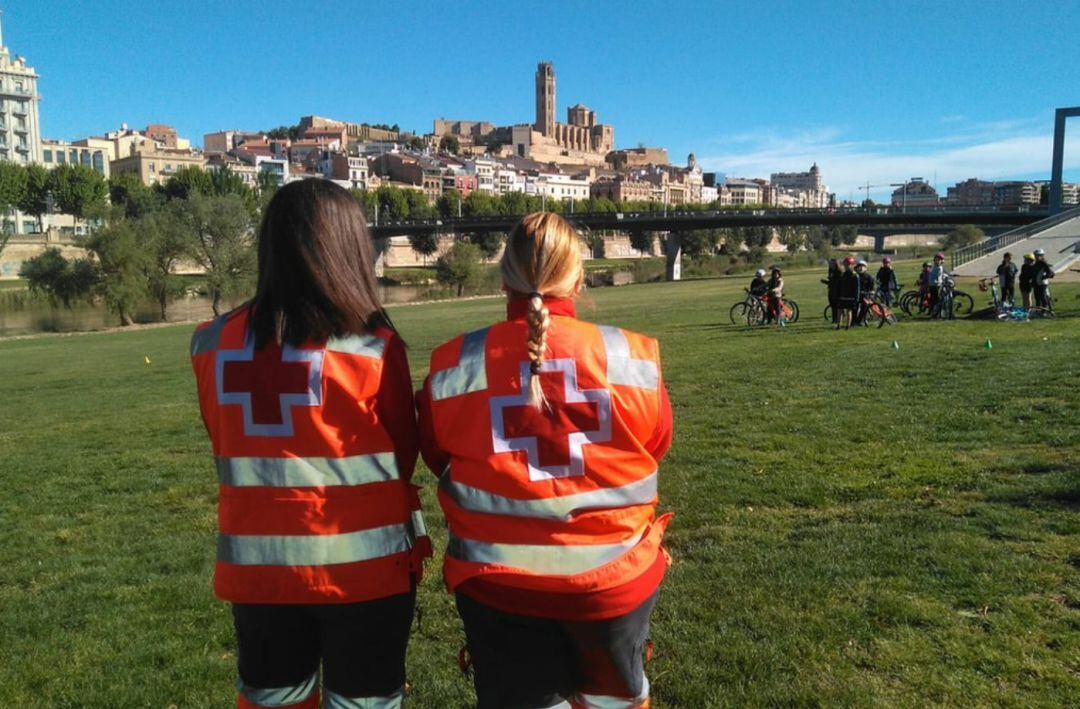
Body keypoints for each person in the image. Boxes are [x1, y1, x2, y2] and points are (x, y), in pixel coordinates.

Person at [417, 212, 673, 709]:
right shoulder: (629, 358)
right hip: (613, 583)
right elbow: (655, 444)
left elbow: (436, 455)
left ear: (503, 276)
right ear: (579, 276)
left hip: (498, 590)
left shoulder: (453, 366)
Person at [190, 180, 430, 709]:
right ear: (346, 247)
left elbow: (225, 441)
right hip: (366, 575)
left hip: (258, 572)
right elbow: (401, 457)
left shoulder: (209, 343)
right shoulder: (373, 348)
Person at [837, 256, 859, 329]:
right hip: (843, 295)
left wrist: (856, 298)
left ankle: (847, 326)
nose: (846, 266)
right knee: (839, 310)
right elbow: (840, 285)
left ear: (852, 265)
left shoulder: (855, 275)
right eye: (845, 265)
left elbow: (857, 288)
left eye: (848, 265)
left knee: (848, 310)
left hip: (850, 296)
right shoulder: (843, 274)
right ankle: (838, 325)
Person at [927, 252, 948, 318]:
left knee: (936, 300)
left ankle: (937, 313)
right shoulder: (934, 267)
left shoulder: (939, 268)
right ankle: (934, 312)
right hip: (931, 285)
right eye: (936, 260)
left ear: (941, 261)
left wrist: (938, 282)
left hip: (936, 285)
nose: (937, 261)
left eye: (938, 260)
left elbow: (939, 276)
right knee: (932, 300)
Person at [855, 260, 875, 325]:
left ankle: (859, 321)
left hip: (865, 295)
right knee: (854, 308)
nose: (861, 268)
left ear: (866, 268)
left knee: (865, 306)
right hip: (856, 296)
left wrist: (872, 291)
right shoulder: (855, 277)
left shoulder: (869, 277)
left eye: (863, 266)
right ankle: (853, 321)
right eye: (859, 266)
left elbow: (872, 287)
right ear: (856, 268)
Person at [821, 258, 841, 324]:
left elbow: (837, 282)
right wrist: (826, 282)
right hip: (831, 290)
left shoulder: (838, 272)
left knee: (836, 306)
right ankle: (834, 319)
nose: (830, 264)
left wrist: (828, 283)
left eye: (831, 263)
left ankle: (837, 319)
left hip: (837, 291)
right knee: (832, 305)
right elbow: (831, 281)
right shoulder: (830, 271)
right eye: (829, 263)